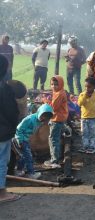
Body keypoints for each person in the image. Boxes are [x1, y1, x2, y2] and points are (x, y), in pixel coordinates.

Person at [0, 54, 20, 203]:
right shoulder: (4, 89)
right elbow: (12, 112)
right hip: (2, 132)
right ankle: (1, 194)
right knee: (1, 162)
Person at [14, 104, 53, 179]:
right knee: (29, 156)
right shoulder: (29, 119)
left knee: (24, 156)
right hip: (20, 139)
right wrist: (19, 140)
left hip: (25, 139)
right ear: (40, 112)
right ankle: (31, 173)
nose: (43, 118)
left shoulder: (41, 121)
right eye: (43, 116)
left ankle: (19, 171)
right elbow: (19, 129)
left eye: (46, 118)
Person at [44, 76, 68, 168]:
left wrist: (46, 101)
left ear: (61, 84)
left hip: (56, 119)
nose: (54, 86)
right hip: (61, 118)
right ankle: (67, 130)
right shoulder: (60, 92)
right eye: (52, 84)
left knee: (53, 139)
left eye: (56, 84)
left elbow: (53, 108)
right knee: (57, 136)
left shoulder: (59, 94)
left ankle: (54, 161)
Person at [77, 77, 95, 154]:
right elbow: (79, 104)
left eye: (89, 87)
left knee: (92, 133)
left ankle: (92, 147)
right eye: (85, 86)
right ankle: (85, 146)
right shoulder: (82, 95)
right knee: (84, 133)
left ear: (94, 87)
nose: (87, 88)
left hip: (93, 118)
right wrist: (84, 96)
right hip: (84, 118)